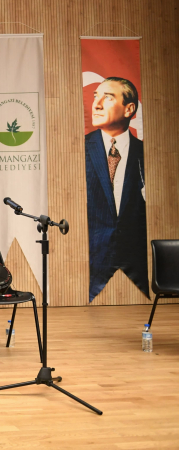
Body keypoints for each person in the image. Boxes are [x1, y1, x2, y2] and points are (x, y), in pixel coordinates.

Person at [85, 77, 148, 301]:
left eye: (108, 98)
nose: (96, 104)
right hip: (92, 261)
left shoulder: (145, 152)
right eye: (95, 97)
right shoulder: (80, 149)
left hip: (137, 264)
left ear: (129, 109)